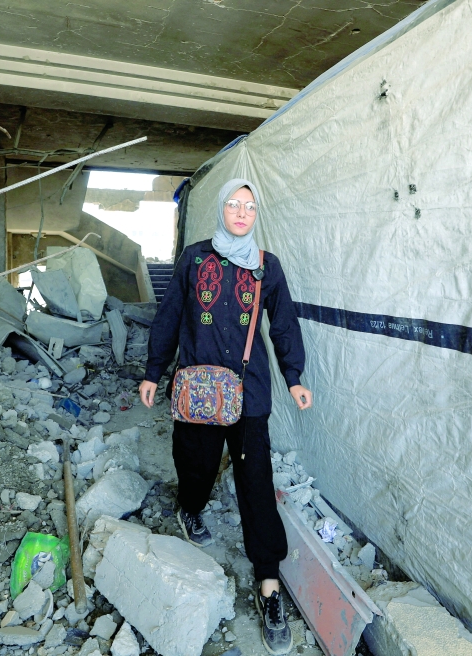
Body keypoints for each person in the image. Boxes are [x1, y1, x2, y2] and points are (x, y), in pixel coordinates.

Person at [139, 178, 312, 655]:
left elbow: (284, 324)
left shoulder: (266, 266)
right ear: (222, 209)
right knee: (195, 463)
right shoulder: (195, 258)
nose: (241, 212)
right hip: (198, 384)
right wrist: (154, 371)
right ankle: (190, 506)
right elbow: (170, 316)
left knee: (255, 479)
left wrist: (294, 377)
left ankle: (268, 584)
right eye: (234, 204)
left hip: (248, 390)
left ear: (256, 215)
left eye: (249, 206)